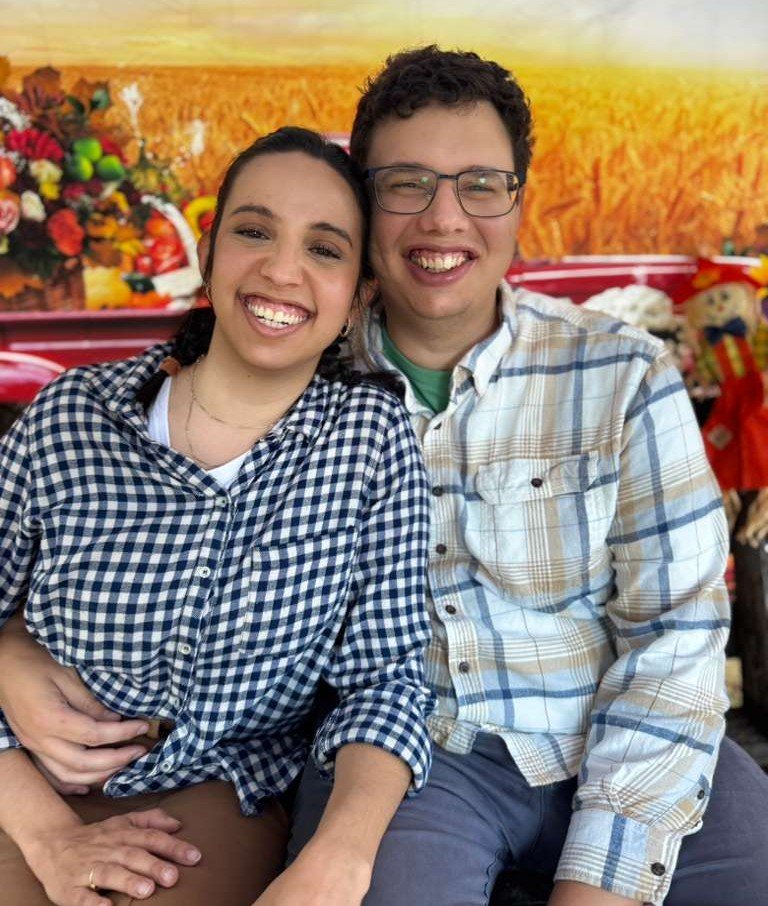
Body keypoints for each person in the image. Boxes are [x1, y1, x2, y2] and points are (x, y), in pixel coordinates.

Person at [4, 45, 768, 906]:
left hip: (625, 728)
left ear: (519, 201)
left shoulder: (622, 373)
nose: (445, 218)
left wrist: (606, 874)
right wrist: (11, 648)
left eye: (480, 184)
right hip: (431, 757)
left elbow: (676, 633)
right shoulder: (291, 371)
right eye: (407, 184)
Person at [0, 126, 434, 906]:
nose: (282, 270)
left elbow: (387, 679)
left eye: (324, 249)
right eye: (255, 232)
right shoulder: (73, 416)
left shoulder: (369, 442)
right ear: (209, 253)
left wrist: (342, 857)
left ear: (359, 295)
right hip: (19, 781)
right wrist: (48, 835)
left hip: (210, 797)